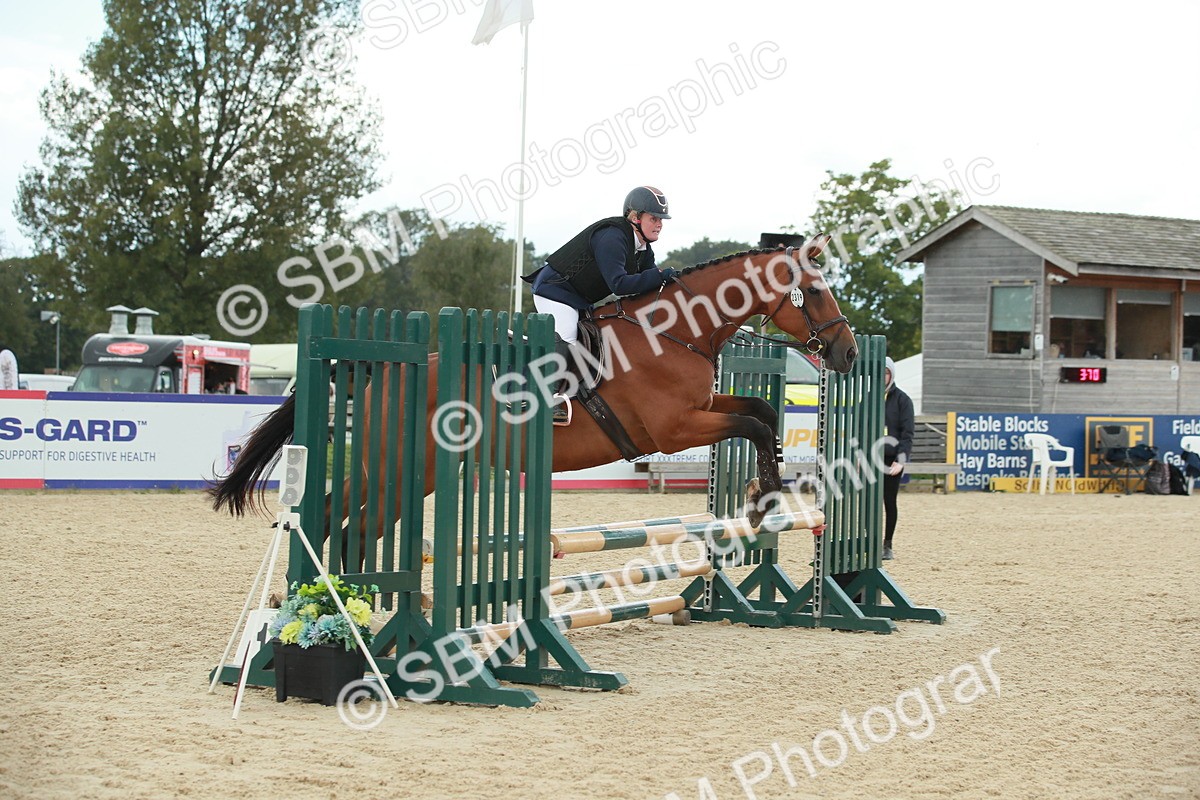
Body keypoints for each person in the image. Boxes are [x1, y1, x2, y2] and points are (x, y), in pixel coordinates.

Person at [523, 186, 680, 423]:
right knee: (568, 337)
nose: (659, 225)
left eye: (661, 220)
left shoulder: (643, 248)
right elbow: (619, 284)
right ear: (635, 217)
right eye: (654, 218)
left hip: (578, 299)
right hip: (553, 291)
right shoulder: (613, 237)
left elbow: (651, 283)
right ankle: (541, 398)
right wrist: (661, 275)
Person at [881, 356, 914, 560]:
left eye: (886, 373)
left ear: (891, 375)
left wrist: (901, 460)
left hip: (892, 461)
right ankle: (869, 540)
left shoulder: (903, 400)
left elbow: (907, 433)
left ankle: (888, 544)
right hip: (870, 460)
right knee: (869, 503)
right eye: (881, 373)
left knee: (889, 502)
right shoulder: (868, 397)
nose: (883, 377)